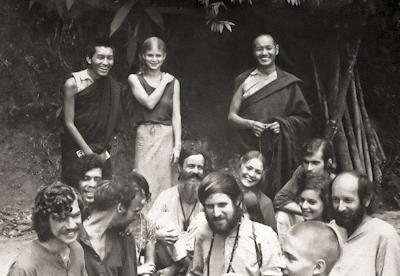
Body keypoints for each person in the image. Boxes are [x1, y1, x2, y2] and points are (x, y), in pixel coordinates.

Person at [228, 34, 311, 198]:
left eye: (268, 48)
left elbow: (304, 119)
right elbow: (231, 116)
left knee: (275, 194)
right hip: (249, 146)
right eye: (259, 49)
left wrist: (283, 125)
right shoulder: (244, 80)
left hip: (279, 151)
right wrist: (251, 124)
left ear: (277, 50)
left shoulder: (288, 83)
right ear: (254, 52)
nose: (264, 53)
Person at [190, 172, 284, 276]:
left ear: (237, 201)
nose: (216, 213)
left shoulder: (264, 236)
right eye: (210, 206)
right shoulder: (203, 233)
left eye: (222, 205)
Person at [128, 36, 181, 203]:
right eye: (150, 55)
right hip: (145, 135)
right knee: (143, 179)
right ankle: (142, 224)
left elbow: (176, 115)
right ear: (143, 56)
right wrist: (164, 82)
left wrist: (177, 145)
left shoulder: (174, 82)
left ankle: (164, 223)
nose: (154, 59)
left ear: (164, 56)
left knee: (165, 180)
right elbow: (149, 103)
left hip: (166, 136)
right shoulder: (135, 79)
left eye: (158, 55)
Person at [61, 38, 121, 182]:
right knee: (75, 191)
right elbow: (69, 123)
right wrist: (89, 153)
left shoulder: (113, 86)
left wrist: (102, 155)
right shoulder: (73, 84)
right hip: (77, 149)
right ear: (89, 58)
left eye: (109, 58)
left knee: (102, 194)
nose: (105, 63)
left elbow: (115, 125)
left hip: (102, 151)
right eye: (100, 57)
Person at [146, 148, 206, 275]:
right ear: (179, 168)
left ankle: (179, 269)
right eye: (191, 166)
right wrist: (157, 235)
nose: (195, 171)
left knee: (203, 220)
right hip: (167, 258)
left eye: (199, 167)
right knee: (163, 219)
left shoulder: (207, 199)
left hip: (197, 259)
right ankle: (188, 268)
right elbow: (143, 229)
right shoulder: (167, 196)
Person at [329, 171, 400, 276]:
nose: (340, 208)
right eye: (335, 200)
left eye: (348, 200)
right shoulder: (330, 231)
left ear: (366, 200)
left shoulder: (384, 235)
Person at [8, 182, 87, 275]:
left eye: (75, 215)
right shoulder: (24, 268)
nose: (71, 225)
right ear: (44, 220)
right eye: (61, 218)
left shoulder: (76, 249)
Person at [274, 138, 334, 239]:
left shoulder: (335, 181)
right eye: (306, 162)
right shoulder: (302, 171)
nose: (309, 168)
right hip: (307, 216)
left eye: (315, 163)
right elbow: (279, 200)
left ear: (328, 163)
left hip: (327, 224)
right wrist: (307, 210)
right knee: (282, 216)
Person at [80, 179, 141, 276]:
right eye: (135, 212)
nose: (136, 218)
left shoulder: (125, 238)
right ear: (120, 208)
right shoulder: (73, 237)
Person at [124, 172, 157, 276]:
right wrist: (137, 271)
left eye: (144, 196)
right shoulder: (118, 222)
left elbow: (150, 263)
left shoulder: (148, 224)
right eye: (136, 196)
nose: (141, 202)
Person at [238, 150, 277, 231]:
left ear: (262, 175)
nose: (252, 174)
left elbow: (272, 237)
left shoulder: (266, 203)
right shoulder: (226, 192)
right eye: (249, 168)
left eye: (258, 172)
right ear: (241, 165)